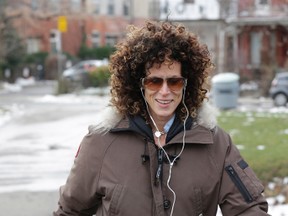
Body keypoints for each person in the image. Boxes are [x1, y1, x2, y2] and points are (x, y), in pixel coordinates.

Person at [53, 20, 269, 216]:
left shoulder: (215, 143)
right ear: (138, 84)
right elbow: (70, 211)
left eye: (174, 82)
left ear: (187, 84)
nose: (165, 91)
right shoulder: (101, 143)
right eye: (154, 81)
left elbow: (249, 209)